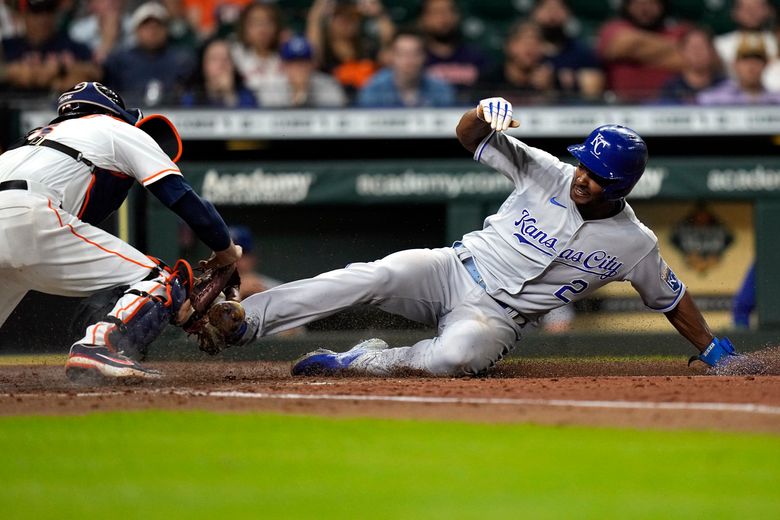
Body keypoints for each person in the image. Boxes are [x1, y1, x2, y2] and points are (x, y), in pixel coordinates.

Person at [205, 96, 739, 377]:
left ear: (619, 185)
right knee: (375, 275)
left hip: (499, 317)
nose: (581, 175)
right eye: (583, 164)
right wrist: (482, 114)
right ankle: (247, 321)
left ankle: (363, 360)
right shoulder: (546, 170)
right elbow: (468, 136)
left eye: (595, 174)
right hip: (453, 269)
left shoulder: (635, 242)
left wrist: (713, 348)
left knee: (456, 359)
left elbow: (671, 298)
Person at [0, 81, 241, 381]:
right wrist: (226, 250)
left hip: (24, 213)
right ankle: (100, 345)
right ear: (114, 111)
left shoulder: (26, 143)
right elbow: (182, 197)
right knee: (160, 280)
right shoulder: (116, 128)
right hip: (31, 213)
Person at [103, 1, 196, 106]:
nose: (152, 31)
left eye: (157, 26)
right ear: (136, 31)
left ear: (167, 30)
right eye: (146, 27)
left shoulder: (181, 60)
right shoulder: (120, 60)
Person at [596, 0, 690, 102]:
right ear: (628, 6)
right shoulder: (612, 29)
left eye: (651, 3)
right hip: (620, 106)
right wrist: (674, 46)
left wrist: (636, 54)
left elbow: (691, 62)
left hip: (668, 107)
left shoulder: (680, 31)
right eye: (638, 3)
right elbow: (623, 45)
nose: (645, 9)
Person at [1, 0, 101, 93]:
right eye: (36, 12)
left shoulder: (71, 45)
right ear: (23, 14)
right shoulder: (7, 47)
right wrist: (13, 72)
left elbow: (97, 72)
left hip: (60, 108)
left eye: (49, 11)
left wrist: (61, 69)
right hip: (13, 107)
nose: (43, 19)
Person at [306, 0, 394, 98]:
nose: (346, 22)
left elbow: (388, 45)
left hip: (369, 104)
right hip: (334, 104)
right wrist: (315, 17)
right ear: (330, 21)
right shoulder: (325, 51)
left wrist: (380, 15)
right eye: (340, 17)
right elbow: (312, 52)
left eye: (352, 18)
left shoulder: (367, 47)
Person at [357, 29, 455, 108]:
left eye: (415, 54)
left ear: (424, 57)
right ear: (392, 57)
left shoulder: (441, 89)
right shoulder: (374, 89)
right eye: (402, 54)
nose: (409, 61)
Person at [530, 0, 605, 102]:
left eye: (558, 8)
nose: (552, 14)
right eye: (546, 7)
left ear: (568, 13)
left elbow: (593, 91)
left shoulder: (581, 52)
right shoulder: (526, 53)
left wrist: (555, 81)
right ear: (535, 13)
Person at [417, 0, 491, 99]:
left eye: (449, 11)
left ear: (458, 16)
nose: (443, 18)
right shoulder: (415, 58)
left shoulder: (477, 57)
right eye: (436, 12)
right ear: (424, 18)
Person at [479, 21, 556, 106]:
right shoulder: (488, 81)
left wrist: (547, 91)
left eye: (536, 42)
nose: (530, 47)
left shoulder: (552, 80)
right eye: (524, 41)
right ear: (508, 46)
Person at [262, 35, 346, 108]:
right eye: (293, 63)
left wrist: (304, 93)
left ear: (313, 64)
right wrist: (297, 94)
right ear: (283, 66)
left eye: (303, 62)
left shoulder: (329, 85)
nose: (298, 68)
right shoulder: (272, 87)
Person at [697, 34, 780, 104]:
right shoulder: (714, 98)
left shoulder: (776, 99)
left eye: (758, 59)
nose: (751, 65)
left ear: (766, 64)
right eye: (745, 59)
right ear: (734, 64)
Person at [229, 2, 284, 107]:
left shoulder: (286, 57)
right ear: (244, 27)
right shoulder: (234, 55)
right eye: (255, 22)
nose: (262, 29)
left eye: (268, 22)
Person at [180, 36, 257, 107]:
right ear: (203, 65)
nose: (221, 64)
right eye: (214, 58)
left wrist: (229, 94)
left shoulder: (246, 96)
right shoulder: (191, 98)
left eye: (226, 59)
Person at [658, 27, 726, 104]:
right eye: (692, 48)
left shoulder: (726, 86)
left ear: (712, 50)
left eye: (702, 47)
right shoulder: (671, 89)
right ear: (682, 52)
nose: (697, 53)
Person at [714, 0, 777, 78]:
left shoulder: (776, 42)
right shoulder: (720, 45)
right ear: (734, 12)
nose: (751, 13)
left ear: (768, 10)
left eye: (757, 7)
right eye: (746, 8)